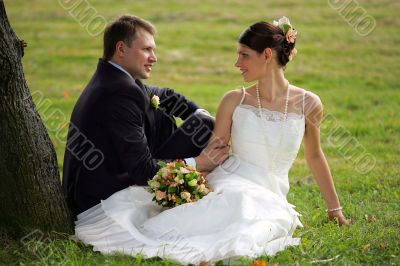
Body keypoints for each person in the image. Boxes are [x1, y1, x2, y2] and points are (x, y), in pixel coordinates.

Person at [74, 17, 350, 264]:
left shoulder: (309, 103)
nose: (236, 63)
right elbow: (214, 151)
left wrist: (334, 208)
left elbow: (315, 156)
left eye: (243, 55)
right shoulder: (234, 100)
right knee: (235, 203)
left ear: (267, 55)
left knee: (249, 216)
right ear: (122, 49)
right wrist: (200, 167)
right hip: (231, 178)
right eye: (148, 49)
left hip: (272, 189)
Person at [62, 15, 229, 217]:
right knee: (203, 127)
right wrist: (199, 162)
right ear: (121, 49)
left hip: (100, 183)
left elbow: (166, 95)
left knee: (202, 122)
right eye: (146, 49)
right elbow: (144, 171)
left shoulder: (114, 77)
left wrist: (200, 113)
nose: (154, 58)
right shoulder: (119, 92)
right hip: (101, 199)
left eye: (153, 50)